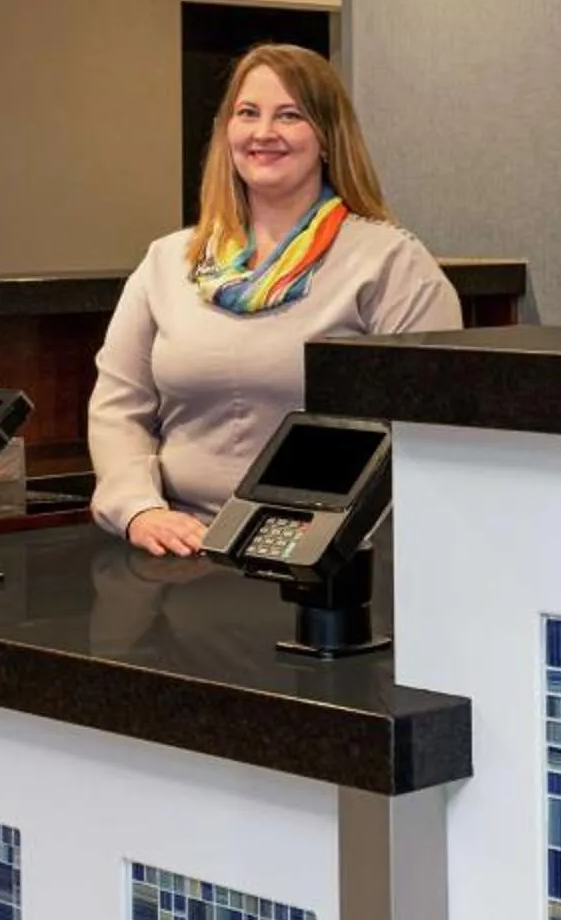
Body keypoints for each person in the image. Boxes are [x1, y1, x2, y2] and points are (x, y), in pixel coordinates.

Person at [88, 43, 459, 555]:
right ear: (227, 133)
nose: (264, 133)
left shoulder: (391, 262)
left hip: (330, 559)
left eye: (290, 115)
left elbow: (430, 425)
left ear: (328, 137)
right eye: (248, 114)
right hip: (182, 552)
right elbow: (118, 407)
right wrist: (138, 509)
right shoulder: (167, 260)